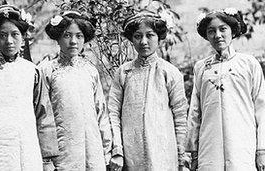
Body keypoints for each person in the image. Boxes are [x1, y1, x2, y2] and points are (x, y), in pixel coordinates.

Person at [0, 5, 59, 171]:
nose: (9, 41)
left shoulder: (33, 71)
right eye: (2, 35)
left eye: (15, 34)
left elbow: (43, 115)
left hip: (28, 150)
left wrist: (47, 159)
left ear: (22, 36)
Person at [108, 10, 188, 171]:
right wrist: (117, 150)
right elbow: (113, 112)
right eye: (138, 36)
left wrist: (181, 157)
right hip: (131, 152)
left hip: (164, 151)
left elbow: (180, 116)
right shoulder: (124, 72)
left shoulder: (169, 72)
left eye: (150, 35)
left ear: (159, 37)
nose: (143, 41)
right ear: (131, 39)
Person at [186, 7, 265, 171]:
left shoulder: (248, 63)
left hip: (242, 143)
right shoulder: (201, 68)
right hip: (210, 144)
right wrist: (192, 150)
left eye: (223, 29)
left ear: (233, 31)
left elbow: (261, 108)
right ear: (207, 35)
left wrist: (262, 149)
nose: (218, 35)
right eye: (211, 31)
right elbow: (195, 111)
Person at [39, 10, 112, 170]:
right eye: (67, 35)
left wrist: (107, 150)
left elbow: (101, 112)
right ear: (58, 37)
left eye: (79, 36)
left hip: (92, 149)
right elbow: (41, 116)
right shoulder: (46, 70)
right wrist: (46, 158)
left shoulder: (90, 70)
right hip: (62, 151)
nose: (73, 41)